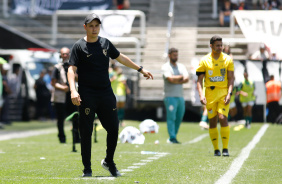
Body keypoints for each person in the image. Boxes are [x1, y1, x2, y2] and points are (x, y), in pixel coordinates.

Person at [67, 13, 153, 177]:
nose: (94, 28)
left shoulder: (105, 43)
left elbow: (121, 58)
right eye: (91, 25)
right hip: (87, 95)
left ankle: (109, 161)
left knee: (113, 128)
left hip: (106, 93)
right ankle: (87, 169)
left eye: (97, 25)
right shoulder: (78, 46)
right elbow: (71, 69)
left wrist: (140, 69)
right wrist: (73, 90)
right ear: (85, 27)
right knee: (86, 132)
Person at [196, 35, 234, 157]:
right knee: (212, 121)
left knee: (222, 118)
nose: (220, 47)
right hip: (210, 94)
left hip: (223, 93)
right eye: (217, 45)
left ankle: (226, 148)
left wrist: (229, 93)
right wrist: (201, 95)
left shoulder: (228, 59)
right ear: (211, 46)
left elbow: (231, 78)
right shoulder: (204, 60)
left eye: (221, 45)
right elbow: (199, 80)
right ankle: (216, 149)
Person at [51, 47, 79, 144]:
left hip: (72, 95)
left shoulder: (74, 66)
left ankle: (76, 138)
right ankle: (62, 138)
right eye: (64, 54)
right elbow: (53, 83)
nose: (65, 55)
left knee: (75, 117)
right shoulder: (57, 67)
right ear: (60, 55)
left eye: (67, 54)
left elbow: (78, 79)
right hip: (61, 97)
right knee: (60, 119)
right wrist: (63, 88)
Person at [161, 48, 189, 144]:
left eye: (177, 55)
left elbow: (187, 78)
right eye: (174, 55)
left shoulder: (181, 66)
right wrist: (180, 78)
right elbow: (170, 79)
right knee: (171, 117)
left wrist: (176, 78)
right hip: (170, 96)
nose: (176, 57)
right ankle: (172, 137)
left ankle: (174, 136)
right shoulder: (165, 67)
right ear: (169, 55)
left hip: (180, 96)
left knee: (179, 116)